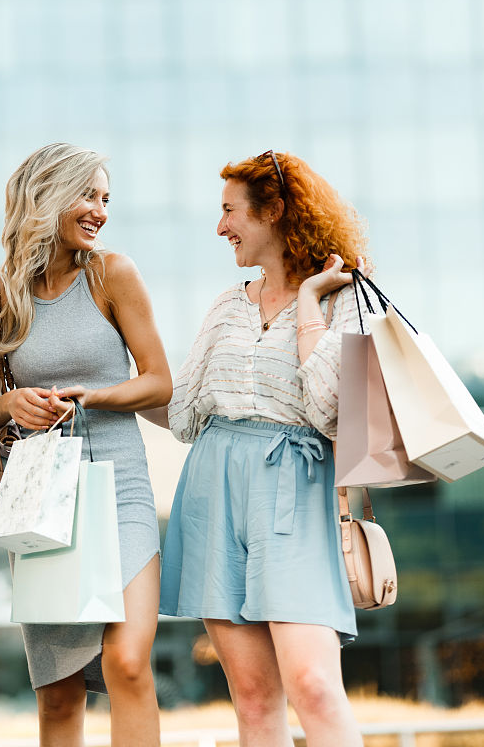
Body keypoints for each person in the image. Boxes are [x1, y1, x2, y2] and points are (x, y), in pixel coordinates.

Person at [159, 150, 369, 747]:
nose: (219, 226)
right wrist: (98, 388)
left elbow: (330, 410)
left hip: (295, 490)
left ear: (274, 212)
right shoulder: (228, 304)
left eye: (230, 211)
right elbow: (181, 413)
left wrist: (307, 305)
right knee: (253, 700)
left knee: (316, 686)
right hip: (213, 488)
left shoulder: (342, 300)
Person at [0, 142, 172, 747]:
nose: (100, 211)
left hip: (122, 488)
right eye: (89, 195)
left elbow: (160, 380)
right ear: (47, 197)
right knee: (60, 694)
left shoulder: (113, 273)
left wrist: (94, 395)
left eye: (106, 198)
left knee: (128, 662)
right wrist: (12, 403)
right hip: (43, 501)